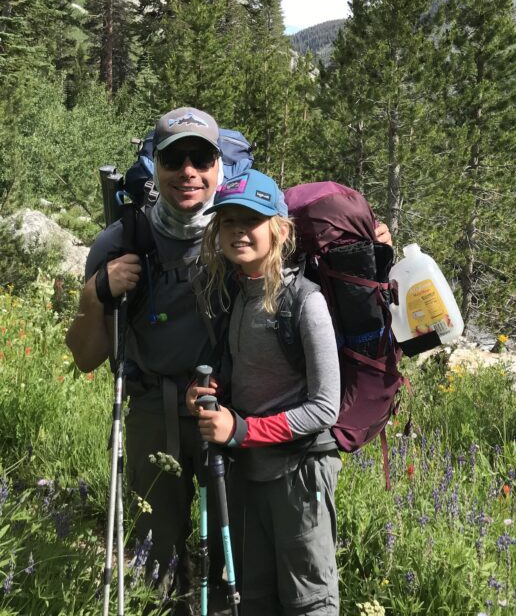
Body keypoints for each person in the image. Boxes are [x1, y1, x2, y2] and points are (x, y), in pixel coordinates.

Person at [66, 106, 233, 614]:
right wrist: (96, 292)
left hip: (227, 413)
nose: (188, 171)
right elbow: (86, 357)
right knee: (156, 562)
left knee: (233, 558)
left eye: (201, 158)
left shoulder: (240, 233)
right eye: (174, 159)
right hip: (150, 410)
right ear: (155, 166)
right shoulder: (121, 241)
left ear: (219, 167)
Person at [186, 169, 341, 615]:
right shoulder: (237, 293)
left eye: (251, 220)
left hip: (300, 473)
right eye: (228, 221)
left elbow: (325, 408)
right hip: (250, 469)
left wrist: (242, 430)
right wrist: (207, 394)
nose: (239, 231)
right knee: (254, 597)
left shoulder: (306, 302)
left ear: (279, 229)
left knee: (309, 600)